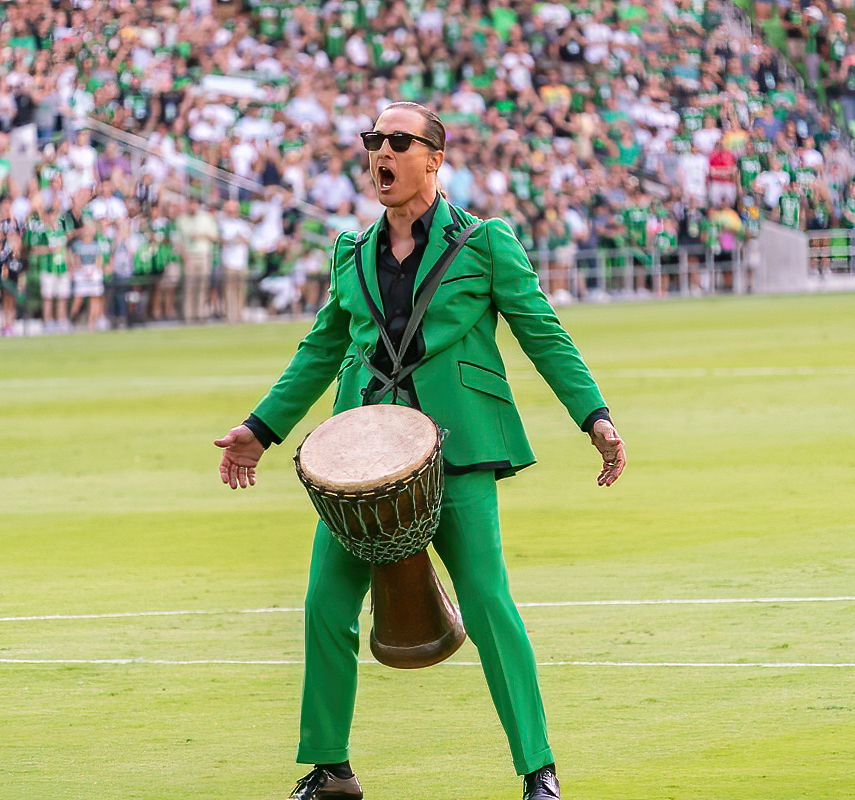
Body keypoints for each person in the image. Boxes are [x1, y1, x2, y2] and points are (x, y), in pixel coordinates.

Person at [214, 103, 626, 800]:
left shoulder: (486, 242)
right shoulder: (351, 251)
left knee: (488, 603)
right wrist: (260, 428)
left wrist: (595, 416)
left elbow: (542, 332)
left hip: (457, 451)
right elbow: (320, 349)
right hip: (358, 460)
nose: (382, 151)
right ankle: (331, 769)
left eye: (398, 141)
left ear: (435, 159)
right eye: (374, 140)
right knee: (323, 606)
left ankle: (539, 770)